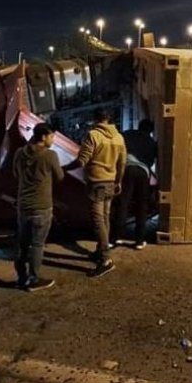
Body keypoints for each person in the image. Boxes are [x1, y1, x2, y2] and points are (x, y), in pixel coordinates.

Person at [64, 108, 126, 278]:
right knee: (105, 218)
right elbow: (122, 162)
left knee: (98, 220)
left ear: (96, 120)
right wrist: (118, 181)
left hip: (97, 183)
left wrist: (64, 168)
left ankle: (105, 260)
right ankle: (100, 251)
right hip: (111, 183)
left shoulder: (93, 135)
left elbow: (82, 160)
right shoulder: (119, 138)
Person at [12, 123, 63, 291]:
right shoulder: (49, 156)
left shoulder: (19, 153)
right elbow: (60, 176)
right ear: (43, 137)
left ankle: (21, 278)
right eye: (51, 136)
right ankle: (34, 280)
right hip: (41, 207)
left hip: (23, 206)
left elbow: (15, 174)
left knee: (22, 244)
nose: (53, 140)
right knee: (37, 244)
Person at [112, 119, 156, 250]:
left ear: (139, 126)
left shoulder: (127, 134)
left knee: (123, 203)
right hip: (143, 172)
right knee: (142, 205)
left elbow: (117, 149)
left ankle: (116, 237)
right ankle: (139, 241)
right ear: (151, 131)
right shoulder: (151, 143)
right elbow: (151, 162)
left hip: (126, 169)